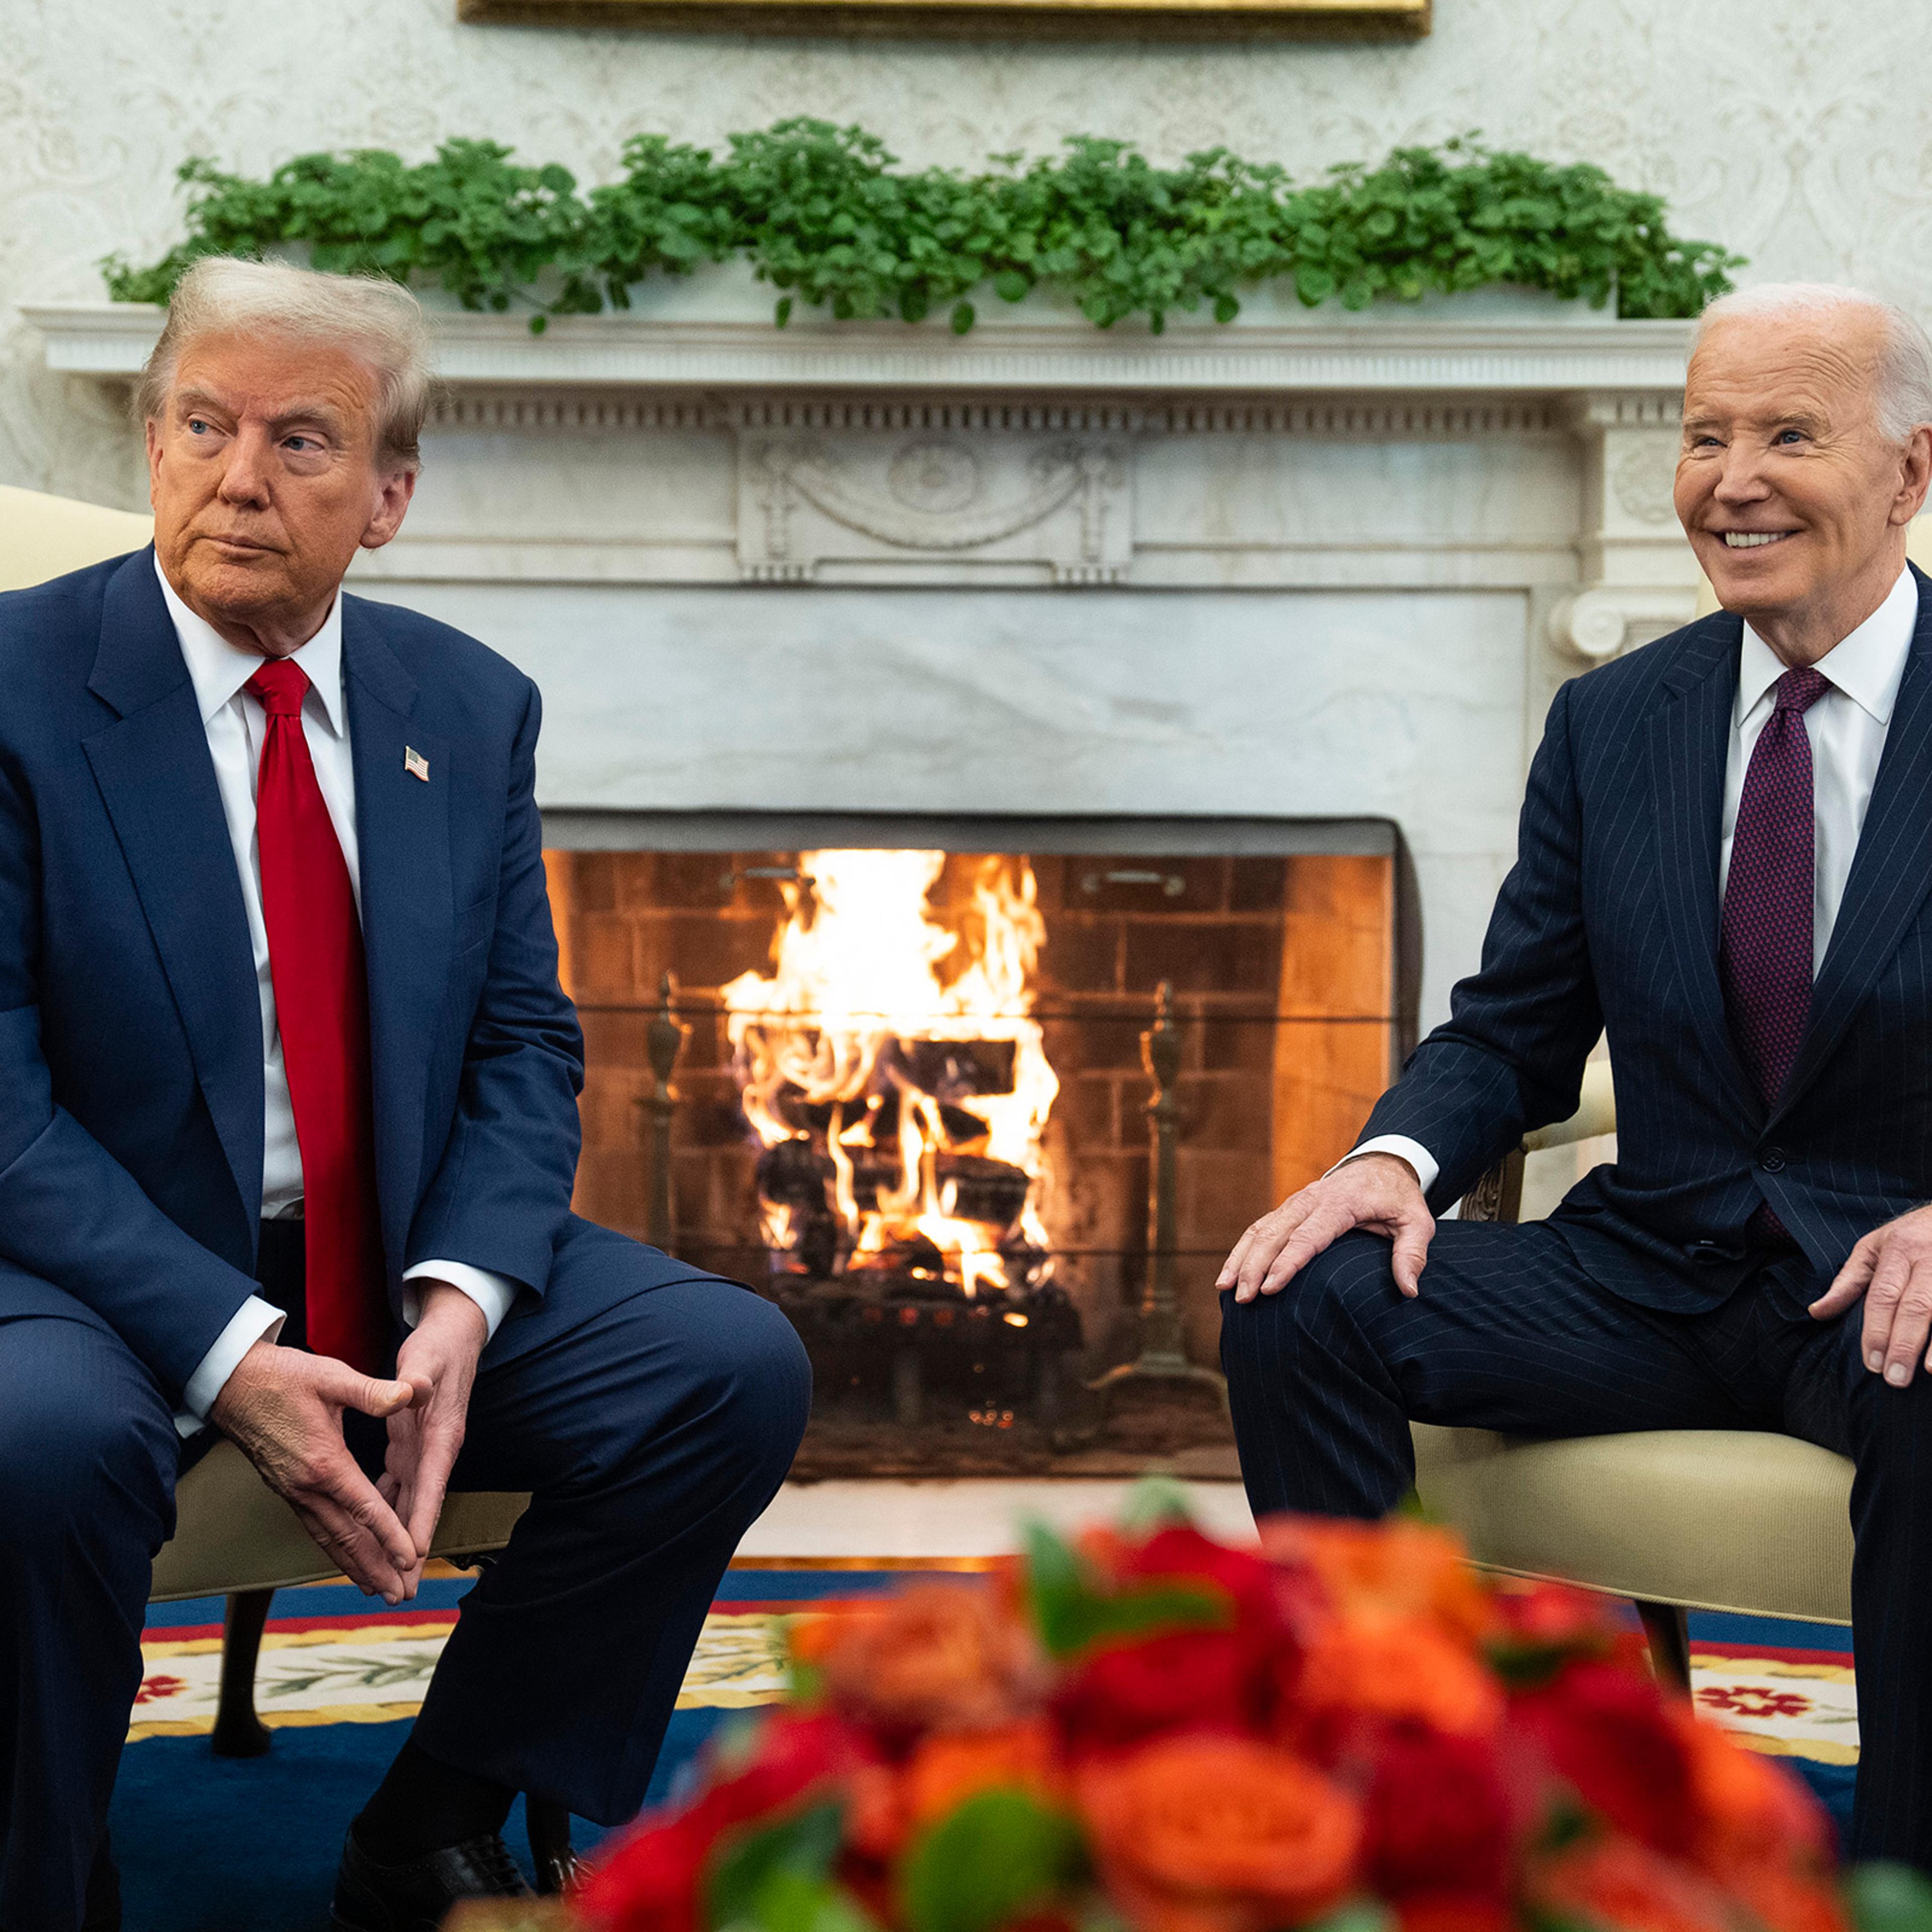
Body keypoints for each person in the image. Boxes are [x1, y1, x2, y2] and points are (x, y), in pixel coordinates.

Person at [0, 258, 812, 1932]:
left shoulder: (468, 703)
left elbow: (522, 1039)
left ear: (387, 497)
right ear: (152, 445)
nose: (239, 478)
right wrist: (231, 1354)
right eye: (204, 427)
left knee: (723, 1368)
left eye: (301, 441)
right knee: (44, 1443)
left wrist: (460, 1299)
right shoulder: (16, 685)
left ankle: (432, 1822)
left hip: (379, 1244)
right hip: (91, 1266)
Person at [1219, 281, 1932, 1865]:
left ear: (1910, 472)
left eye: (1789, 435)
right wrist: (1388, 1165)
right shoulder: (1615, 720)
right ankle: (1399, 1816)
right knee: (1302, 1298)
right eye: (1704, 438)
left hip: (1891, 1285)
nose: (1732, 482)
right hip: (1654, 1268)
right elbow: (1515, 1025)